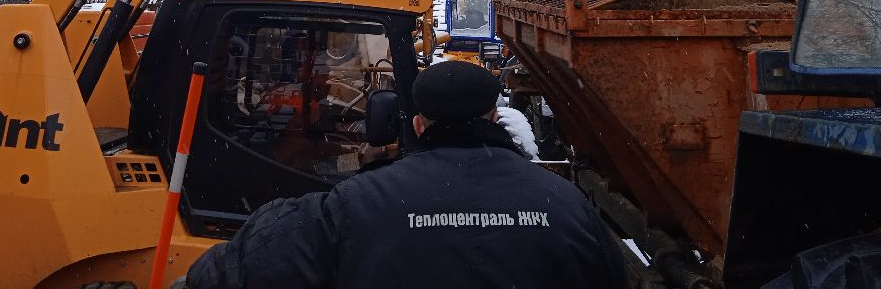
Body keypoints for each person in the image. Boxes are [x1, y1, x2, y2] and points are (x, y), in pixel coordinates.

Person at [184, 60, 627, 289]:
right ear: (495, 117)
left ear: (417, 123)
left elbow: (232, 273)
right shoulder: (567, 208)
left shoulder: (348, 209)